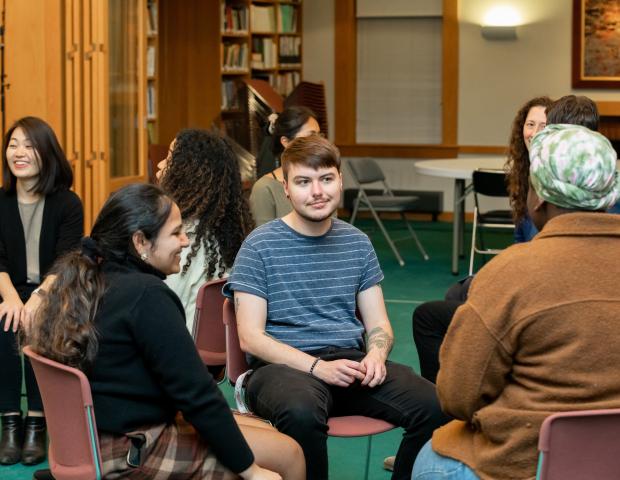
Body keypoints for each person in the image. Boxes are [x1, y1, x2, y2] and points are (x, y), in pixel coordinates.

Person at [26, 183, 304, 480]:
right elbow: (197, 396)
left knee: (265, 432)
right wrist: (251, 472)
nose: (185, 241)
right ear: (140, 242)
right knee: (289, 453)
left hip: (92, 440)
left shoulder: (92, 278)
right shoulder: (147, 295)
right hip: (132, 450)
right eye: (175, 233)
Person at [225, 135, 449, 480]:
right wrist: (317, 367)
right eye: (303, 182)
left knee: (436, 406)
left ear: (340, 181)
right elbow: (250, 338)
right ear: (286, 189)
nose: (317, 191)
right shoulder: (259, 246)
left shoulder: (357, 243)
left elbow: (379, 325)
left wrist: (375, 355)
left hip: (349, 363)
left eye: (326, 179)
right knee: (301, 413)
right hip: (282, 368)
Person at [412, 124, 620, 480]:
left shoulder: (511, 272)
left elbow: (457, 396)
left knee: (429, 460)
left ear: (538, 196)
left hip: (522, 462)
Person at [0, 116, 83, 466]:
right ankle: (8, 421)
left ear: (46, 153)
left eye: (29, 145)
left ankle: (37, 419)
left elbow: (67, 260)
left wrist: (36, 299)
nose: (18, 152)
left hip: (54, 289)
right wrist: (11, 299)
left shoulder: (67, 203)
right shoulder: (0, 201)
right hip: (7, 289)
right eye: (13, 144)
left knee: (41, 322)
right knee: (3, 323)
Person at [157, 129, 254, 333]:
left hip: (181, 346)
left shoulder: (182, 239)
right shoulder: (229, 235)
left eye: (168, 158)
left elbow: (162, 307)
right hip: (223, 353)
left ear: (187, 171)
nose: (159, 165)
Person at [249, 106, 321, 226]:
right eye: (311, 136)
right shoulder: (264, 189)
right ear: (286, 142)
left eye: (319, 135)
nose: (319, 142)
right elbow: (264, 241)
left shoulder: (324, 182)